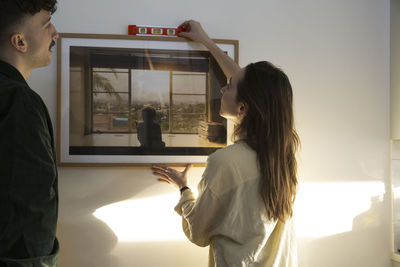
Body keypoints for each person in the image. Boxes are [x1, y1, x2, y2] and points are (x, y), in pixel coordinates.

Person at [152, 20, 300, 267]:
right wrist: (206, 41)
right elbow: (249, 85)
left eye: (229, 86)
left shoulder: (225, 162)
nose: (222, 88)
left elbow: (198, 231)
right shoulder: (284, 154)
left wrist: (184, 191)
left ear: (243, 107)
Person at [0, 0, 60, 266]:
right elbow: (30, 206)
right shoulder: (18, 100)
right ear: (19, 42)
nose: (55, 33)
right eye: (47, 25)